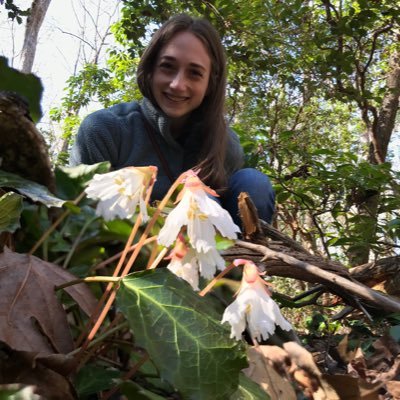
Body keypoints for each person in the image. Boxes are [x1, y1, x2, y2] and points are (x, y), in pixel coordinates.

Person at [70, 14, 275, 226]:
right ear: (150, 69)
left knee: (251, 183)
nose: (177, 84)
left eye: (194, 73)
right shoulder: (106, 129)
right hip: (123, 250)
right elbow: (79, 216)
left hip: (212, 250)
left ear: (210, 84)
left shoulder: (226, 145)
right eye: (168, 66)